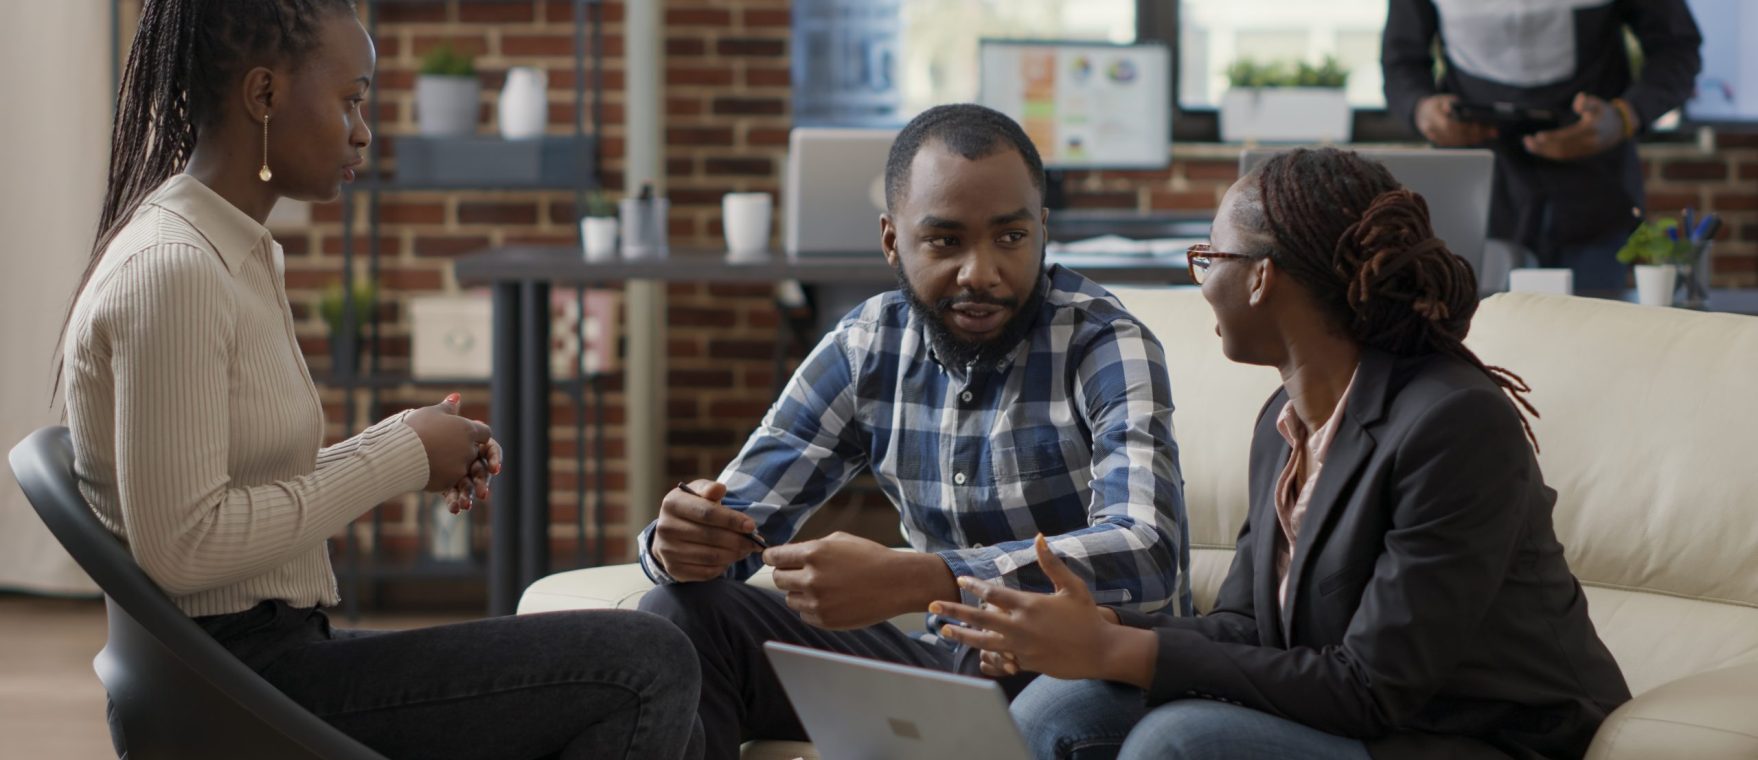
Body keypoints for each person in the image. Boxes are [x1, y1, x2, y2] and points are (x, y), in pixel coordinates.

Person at [57, 2, 701, 758]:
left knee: (647, 668)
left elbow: (232, 497)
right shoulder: (175, 270)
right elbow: (188, 545)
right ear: (263, 96)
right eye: (351, 100)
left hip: (273, 652)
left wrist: (408, 445)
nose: (363, 130)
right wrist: (395, 457)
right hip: (234, 683)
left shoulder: (231, 252)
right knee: (644, 666)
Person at [933, 148, 1631, 759]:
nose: (1201, 282)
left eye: (1209, 258)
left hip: (1476, 738)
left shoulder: (1455, 425)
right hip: (1361, 716)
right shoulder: (1285, 419)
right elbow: (1248, 625)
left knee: (1176, 744)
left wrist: (1122, 651)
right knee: (1066, 702)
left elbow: (1372, 687)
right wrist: (1098, 630)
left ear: (1262, 278)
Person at [634, 103, 1190, 759]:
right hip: (946, 662)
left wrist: (927, 579)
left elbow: (1148, 551)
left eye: (1010, 237)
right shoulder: (865, 346)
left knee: (1059, 706)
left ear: (1043, 229)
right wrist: (681, 543)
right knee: (678, 621)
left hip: (1082, 665)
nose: (981, 272)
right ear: (893, 240)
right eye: (946, 241)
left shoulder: (1105, 342)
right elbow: (739, 519)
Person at [1382, 0, 1702, 292]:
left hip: (1592, 189)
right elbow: (1400, 61)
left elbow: (1677, 48)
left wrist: (1625, 116)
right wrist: (1422, 110)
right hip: (1478, 193)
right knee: (1474, 338)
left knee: (1591, 340)